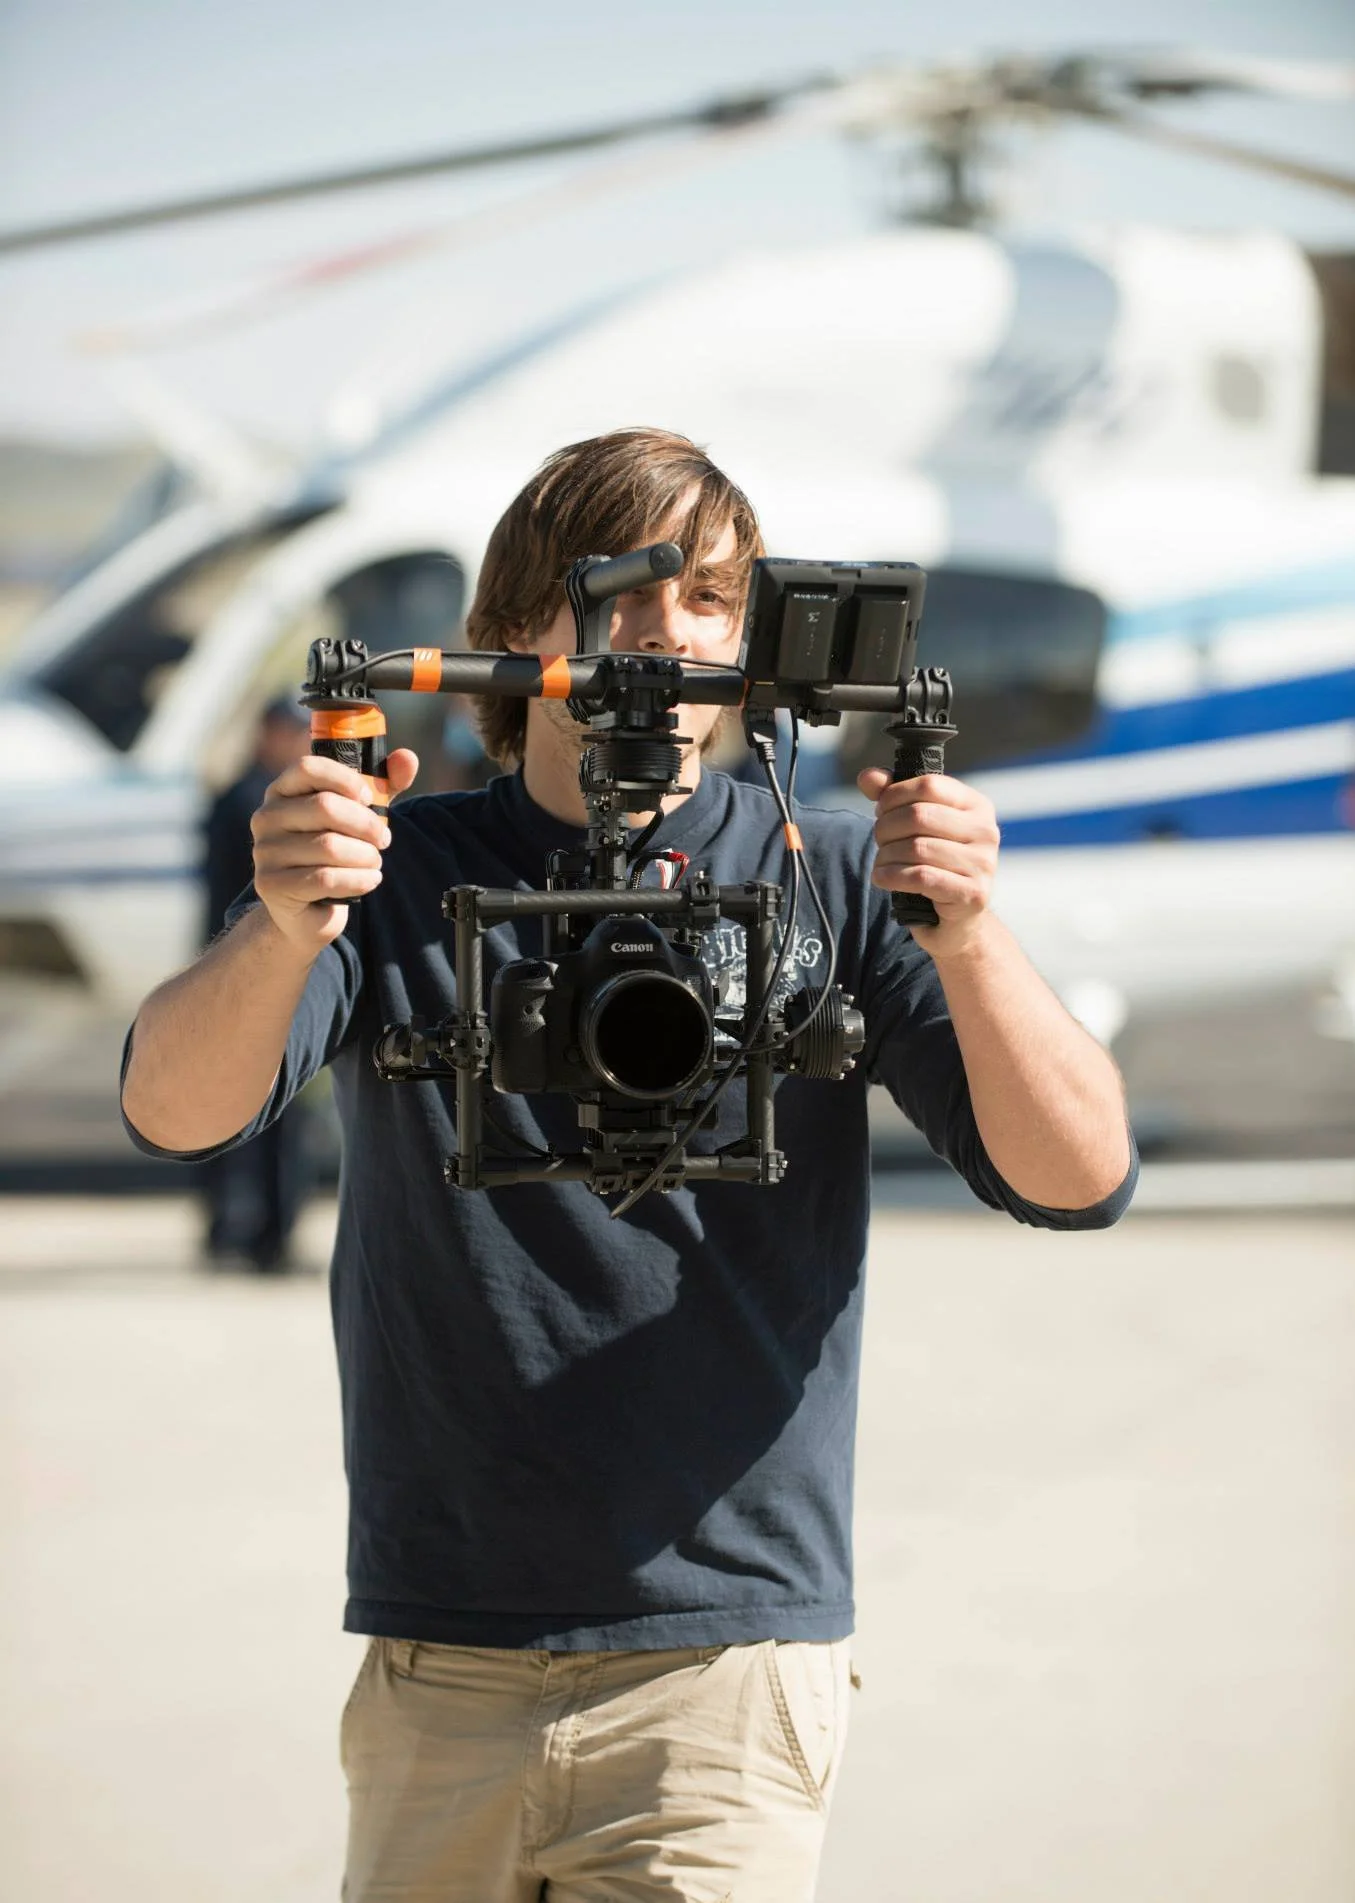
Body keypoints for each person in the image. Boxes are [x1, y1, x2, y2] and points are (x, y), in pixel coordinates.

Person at [120, 427, 1136, 1902]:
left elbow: (1078, 1172)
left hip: (722, 1658)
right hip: (440, 1644)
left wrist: (965, 930)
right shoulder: (387, 870)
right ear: (506, 632)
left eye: (711, 601)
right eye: (617, 595)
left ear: (759, 640)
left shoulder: (834, 870)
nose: (665, 635)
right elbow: (176, 1110)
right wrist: (286, 922)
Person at [199, 694, 314, 1271]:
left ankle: (262, 1231)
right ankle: (247, 1230)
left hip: (257, 970)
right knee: (246, 1111)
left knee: (272, 1114)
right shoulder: (252, 801)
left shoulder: (245, 798)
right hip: (248, 971)